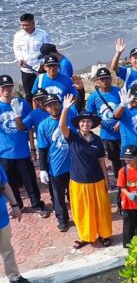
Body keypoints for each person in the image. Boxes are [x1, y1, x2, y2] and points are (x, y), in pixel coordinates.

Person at [59, 94, 112, 249]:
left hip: (97, 180)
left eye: (88, 121)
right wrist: (65, 109)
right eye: (82, 121)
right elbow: (62, 126)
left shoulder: (97, 140)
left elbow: (102, 161)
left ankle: (104, 235)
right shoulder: (73, 137)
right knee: (82, 211)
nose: (85, 124)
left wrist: (107, 179)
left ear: (92, 124)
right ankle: (85, 236)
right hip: (78, 181)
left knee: (101, 210)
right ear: (79, 124)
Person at [1, 75, 48, 217]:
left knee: (30, 181)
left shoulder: (21, 103)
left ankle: (37, 205)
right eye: (3, 87)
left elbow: (29, 128)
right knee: (10, 183)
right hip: (4, 153)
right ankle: (17, 205)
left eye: (9, 86)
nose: (6, 89)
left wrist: (32, 148)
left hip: (22, 151)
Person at [36, 94, 75, 232]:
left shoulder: (70, 115)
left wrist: (80, 91)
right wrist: (43, 169)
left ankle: (79, 215)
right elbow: (42, 149)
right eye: (49, 105)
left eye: (55, 104)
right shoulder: (43, 126)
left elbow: (79, 104)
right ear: (45, 108)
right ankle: (62, 220)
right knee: (58, 197)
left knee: (75, 194)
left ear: (60, 104)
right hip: (56, 167)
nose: (53, 107)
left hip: (75, 165)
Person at [86, 67, 122, 178]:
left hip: (122, 132)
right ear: (97, 81)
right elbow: (89, 114)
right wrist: (97, 122)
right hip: (107, 135)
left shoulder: (119, 92)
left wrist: (121, 122)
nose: (104, 81)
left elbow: (128, 109)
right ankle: (119, 182)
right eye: (102, 79)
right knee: (114, 160)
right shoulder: (93, 97)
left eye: (107, 78)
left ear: (111, 79)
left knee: (127, 158)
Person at [0, 163, 30, 283]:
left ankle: (14, 276)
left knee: (7, 249)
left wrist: (15, 205)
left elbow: (5, 185)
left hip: (2, 218)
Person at [13, 13, 51, 105]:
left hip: (41, 68)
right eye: (22, 25)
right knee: (29, 94)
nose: (25, 27)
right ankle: (33, 113)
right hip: (26, 69)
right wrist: (20, 58)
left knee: (44, 91)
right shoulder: (18, 35)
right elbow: (17, 49)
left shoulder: (43, 34)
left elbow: (48, 50)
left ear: (33, 23)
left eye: (27, 25)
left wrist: (43, 64)